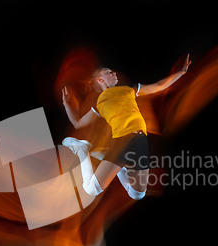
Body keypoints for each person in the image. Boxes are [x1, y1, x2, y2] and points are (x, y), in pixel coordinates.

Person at [62, 54, 192, 200]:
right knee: (91, 189)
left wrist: (180, 73)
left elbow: (158, 86)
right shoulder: (99, 104)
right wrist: (67, 105)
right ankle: (82, 150)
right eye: (108, 72)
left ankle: (120, 168)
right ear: (100, 80)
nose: (113, 73)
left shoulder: (129, 90)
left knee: (138, 194)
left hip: (140, 140)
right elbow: (77, 123)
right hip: (121, 142)